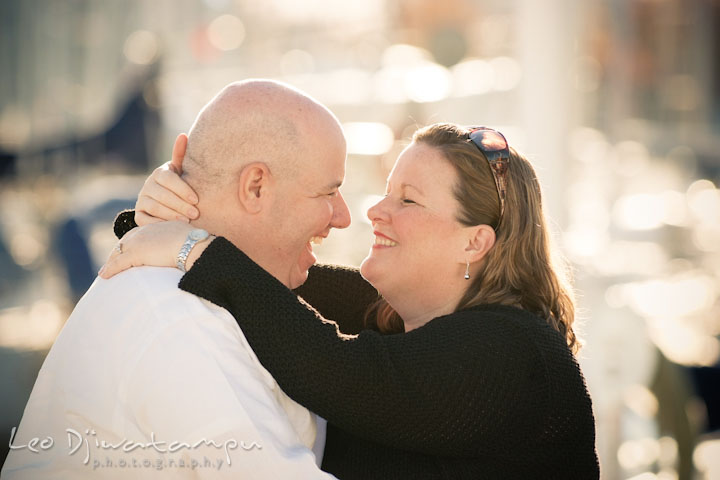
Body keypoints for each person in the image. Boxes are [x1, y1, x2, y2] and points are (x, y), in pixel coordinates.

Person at [101, 121, 601, 479]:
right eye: (386, 191)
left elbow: (338, 368)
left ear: (474, 242)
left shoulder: (519, 354)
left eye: (407, 199)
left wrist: (194, 247)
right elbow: (265, 273)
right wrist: (173, 214)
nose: (375, 210)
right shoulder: (391, 318)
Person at [1, 80, 350, 479]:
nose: (344, 217)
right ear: (255, 187)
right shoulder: (178, 320)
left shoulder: (205, 297)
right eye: (328, 193)